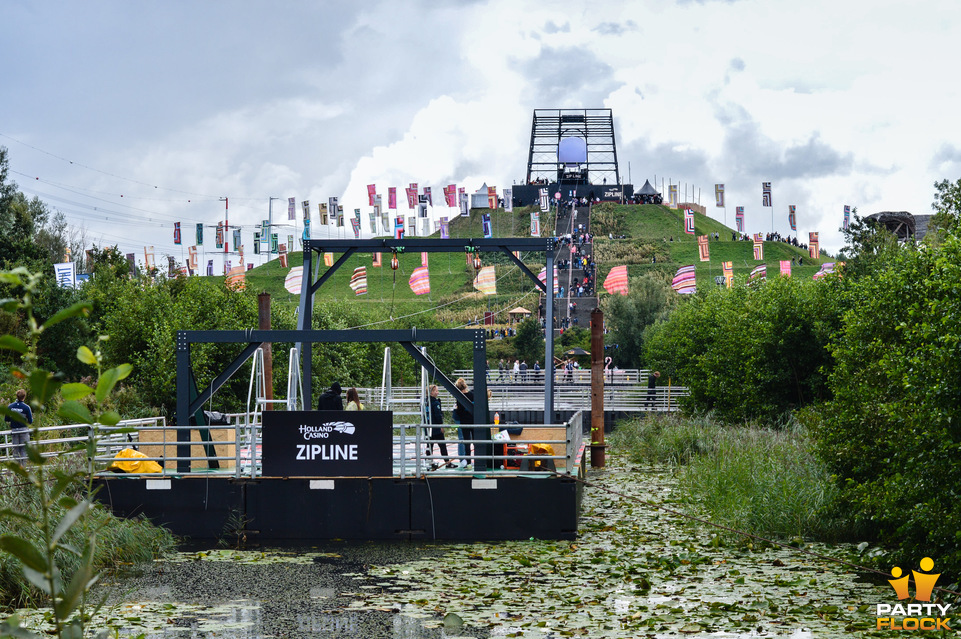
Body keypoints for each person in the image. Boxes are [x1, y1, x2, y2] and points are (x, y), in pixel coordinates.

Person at [425, 384, 452, 468]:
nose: (438, 392)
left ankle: (430, 463)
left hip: (427, 426)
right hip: (435, 428)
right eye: (436, 391)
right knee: (442, 445)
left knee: (429, 446)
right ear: (432, 392)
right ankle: (447, 463)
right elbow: (438, 416)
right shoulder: (435, 403)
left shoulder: (425, 402)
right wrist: (441, 426)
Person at [6, 389, 32, 466]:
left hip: (14, 431)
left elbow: (6, 419)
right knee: (24, 449)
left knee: (15, 449)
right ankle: (23, 468)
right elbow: (30, 421)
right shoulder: (26, 407)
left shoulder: (10, 406)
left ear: (17, 396)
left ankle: (17, 470)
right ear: (24, 397)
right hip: (24, 430)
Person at [452, 378, 474, 468]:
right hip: (473, 421)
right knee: (477, 441)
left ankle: (468, 462)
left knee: (466, 442)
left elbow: (459, 411)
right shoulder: (472, 395)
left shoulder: (459, 398)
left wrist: (456, 410)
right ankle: (479, 460)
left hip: (464, 422)